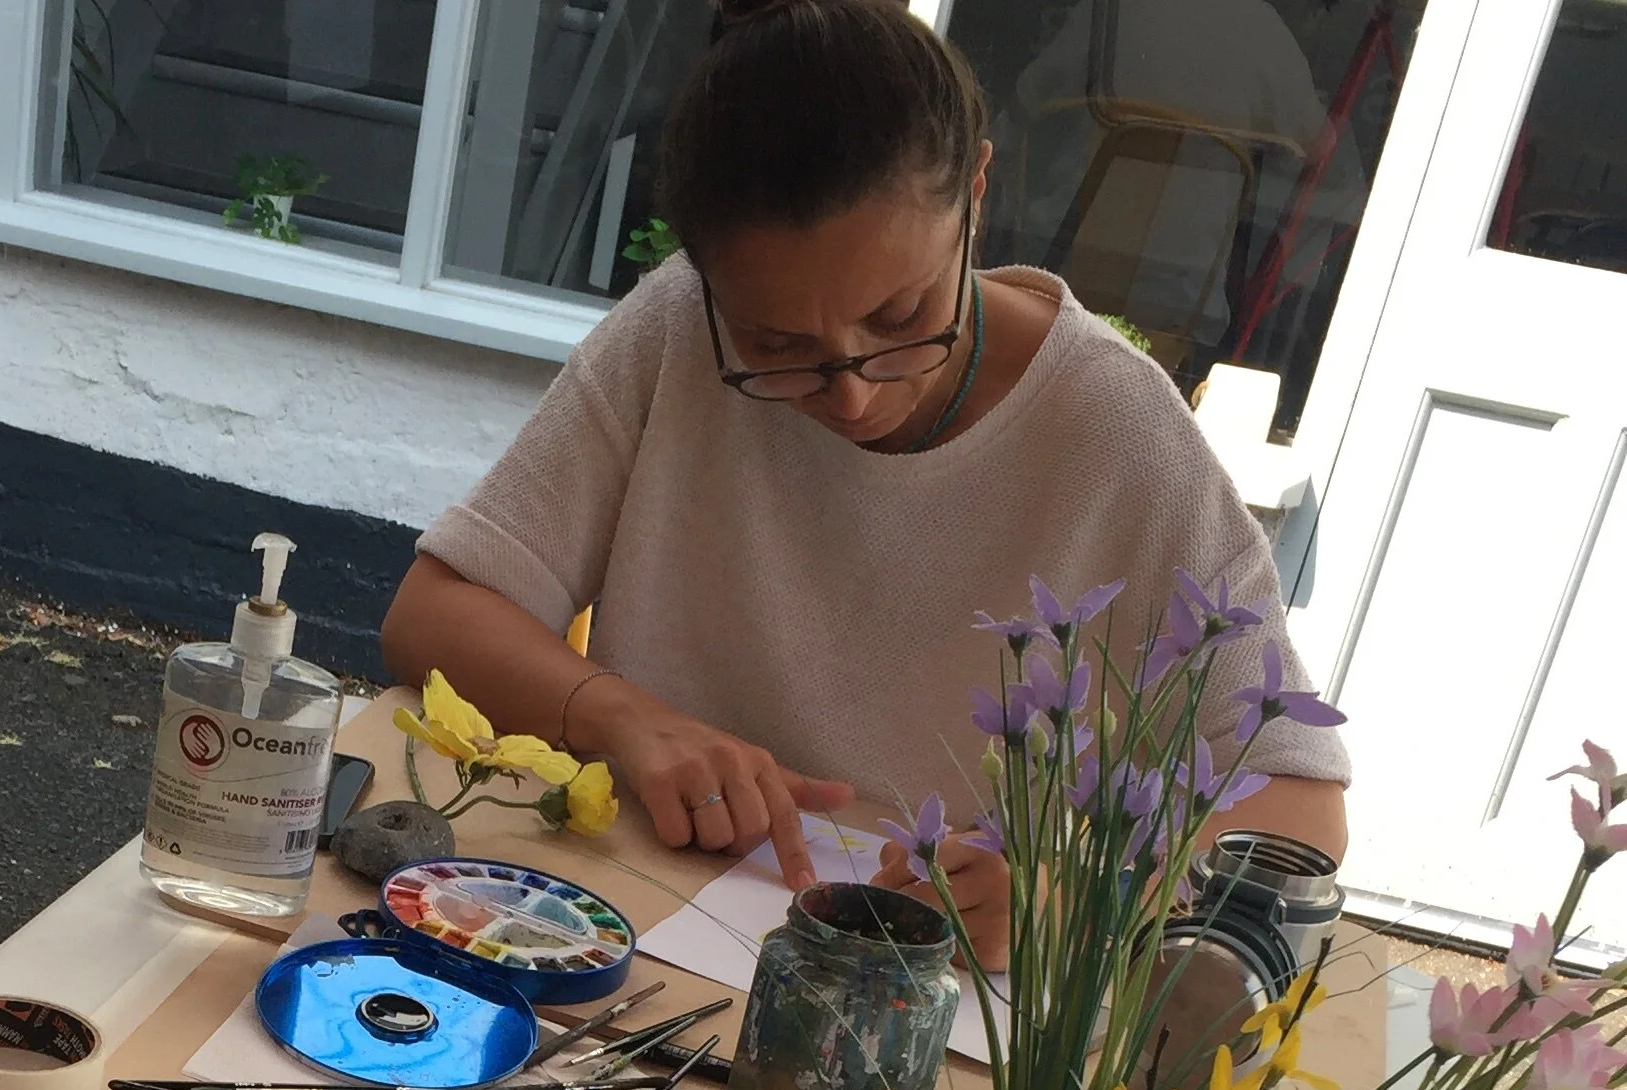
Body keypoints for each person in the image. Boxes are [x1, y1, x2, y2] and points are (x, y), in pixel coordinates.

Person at [380, 0, 1351, 970]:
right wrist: (629, 717)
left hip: (945, 990)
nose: (851, 394)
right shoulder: (682, 324)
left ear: (975, 189)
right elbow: (436, 613)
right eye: (778, 346)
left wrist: (1090, 887)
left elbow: (1300, 801)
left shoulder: (1115, 431)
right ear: (707, 276)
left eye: (900, 315)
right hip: (646, 932)